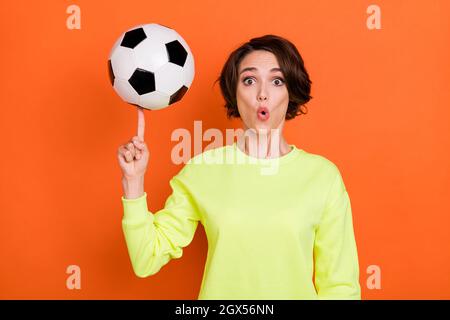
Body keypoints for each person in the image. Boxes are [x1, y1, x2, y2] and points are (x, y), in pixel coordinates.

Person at [117, 34, 361, 300]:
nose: (263, 94)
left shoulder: (323, 177)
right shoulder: (202, 170)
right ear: (235, 92)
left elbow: (340, 287)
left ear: (291, 92)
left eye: (277, 81)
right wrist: (133, 181)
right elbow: (146, 260)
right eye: (249, 80)